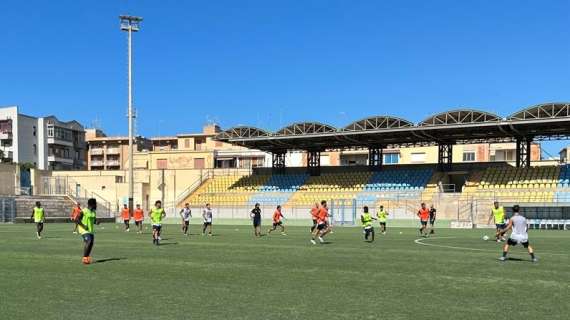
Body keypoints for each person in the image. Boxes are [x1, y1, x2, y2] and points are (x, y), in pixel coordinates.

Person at [75, 198, 98, 265]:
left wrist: (96, 222)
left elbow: (93, 220)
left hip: (90, 230)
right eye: (95, 204)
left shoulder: (93, 212)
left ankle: (87, 257)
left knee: (91, 243)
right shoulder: (84, 211)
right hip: (83, 229)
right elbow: (77, 219)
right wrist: (83, 226)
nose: (96, 205)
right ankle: (85, 258)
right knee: (89, 241)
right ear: (92, 204)